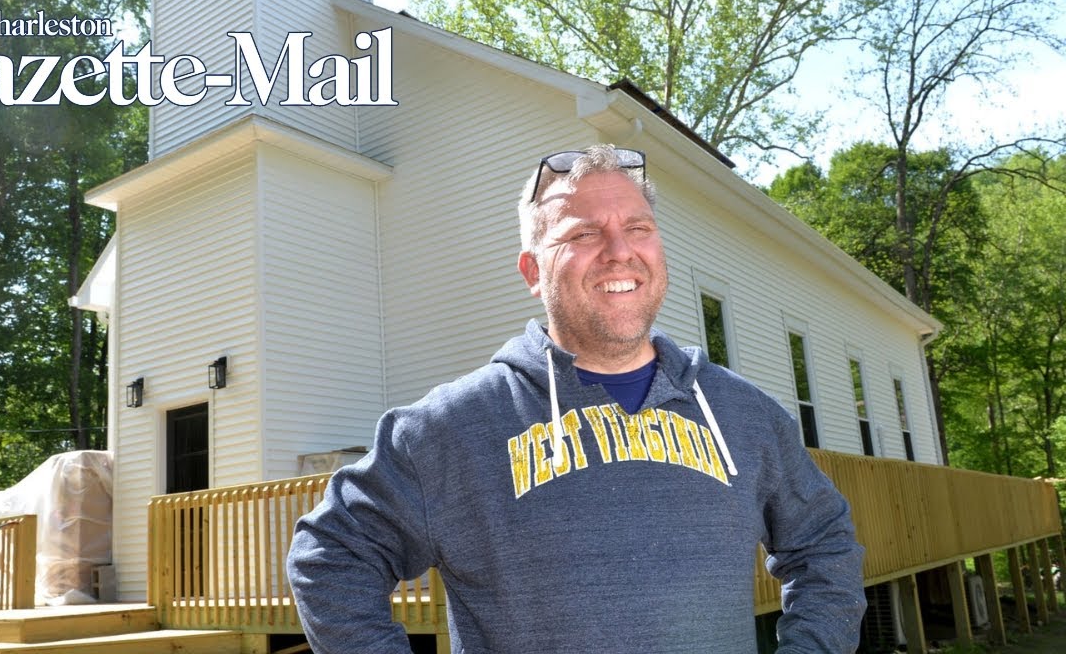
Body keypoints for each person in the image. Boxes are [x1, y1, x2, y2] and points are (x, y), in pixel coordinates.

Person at [286, 144, 866, 652]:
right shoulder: (450, 429)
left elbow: (825, 546)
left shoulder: (746, 416)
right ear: (532, 272)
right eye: (583, 234)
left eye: (638, 227)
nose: (619, 251)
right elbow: (330, 558)